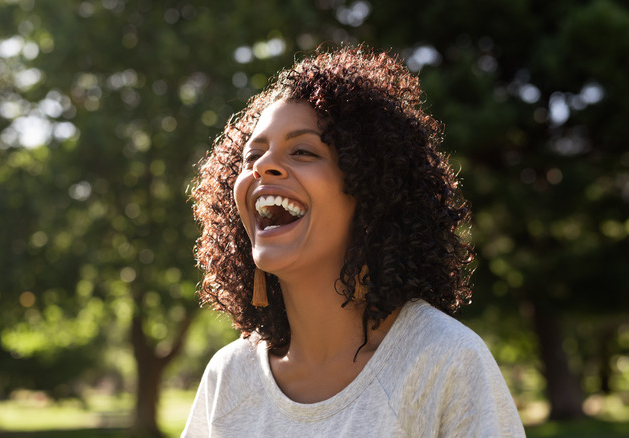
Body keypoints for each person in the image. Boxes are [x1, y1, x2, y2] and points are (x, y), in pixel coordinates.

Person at [184, 44, 525, 437]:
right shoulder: (228, 377)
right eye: (252, 156)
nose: (262, 166)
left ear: (370, 192)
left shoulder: (445, 361)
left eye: (303, 151)